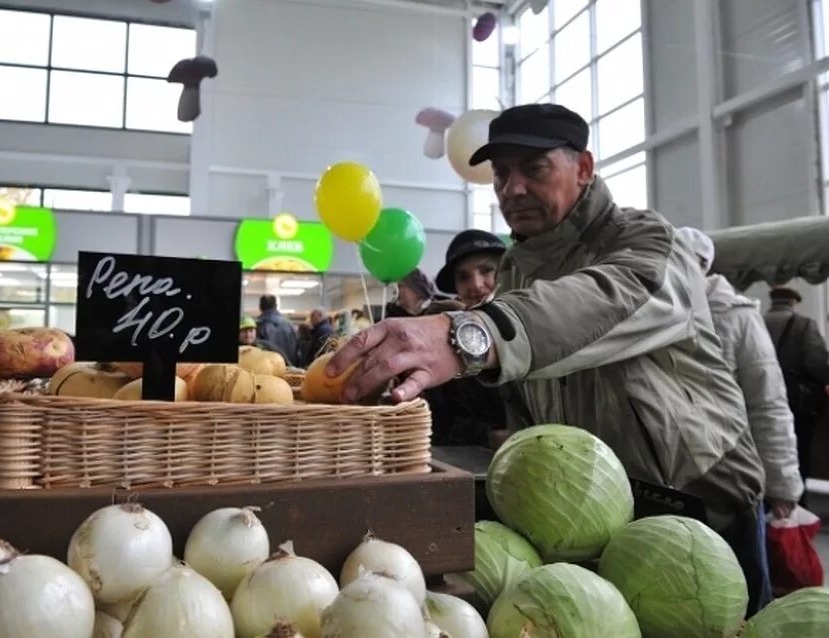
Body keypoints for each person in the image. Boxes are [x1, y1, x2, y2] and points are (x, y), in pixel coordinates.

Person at [327, 103, 769, 613]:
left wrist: (470, 332)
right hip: (596, 529)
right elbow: (530, 409)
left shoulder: (648, 241)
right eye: (500, 174)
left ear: (583, 168)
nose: (512, 189)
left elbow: (604, 301)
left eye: (534, 169)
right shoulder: (517, 273)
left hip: (706, 514)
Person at [678, 227, 803, 525]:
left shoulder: (738, 318)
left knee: (742, 566)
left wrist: (782, 484)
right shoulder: (657, 312)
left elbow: (768, 402)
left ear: (703, 266)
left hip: (732, 480)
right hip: (674, 480)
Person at [424, 230, 531, 447]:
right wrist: (489, 437)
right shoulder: (444, 341)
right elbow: (436, 422)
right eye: (463, 277)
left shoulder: (534, 321)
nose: (476, 284)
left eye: (487, 270)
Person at [764, 285, 829, 504]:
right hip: (796, 402)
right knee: (798, 452)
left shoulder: (757, 320)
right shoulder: (803, 324)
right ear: (793, 302)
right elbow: (817, 363)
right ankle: (796, 503)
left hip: (761, 399)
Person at [385, 269, 462, 318]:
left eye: (401, 286)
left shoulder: (444, 310)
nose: (396, 291)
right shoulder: (394, 316)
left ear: (417, 292)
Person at [256, 294, 299, 365]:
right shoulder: (289, 324)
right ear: (276, 306)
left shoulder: (258, 325)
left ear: (260, 306)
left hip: (268, 367)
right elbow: (296, 349)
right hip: (289, 368)